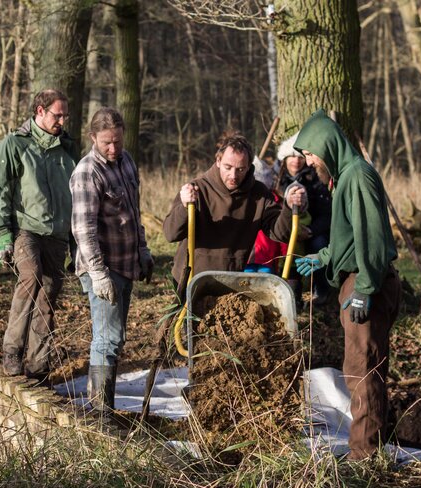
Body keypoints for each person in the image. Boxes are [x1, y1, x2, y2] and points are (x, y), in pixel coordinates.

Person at [293, 109, 402, 461]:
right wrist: (324, 257)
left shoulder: (359, 177)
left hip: (365, 283)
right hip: (356, 279)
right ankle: (371, 448)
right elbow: (349, 237)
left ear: (326, 145)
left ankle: (364, 457)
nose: (309, 162)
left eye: (310, 153)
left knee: (361, 371)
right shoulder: (343, 178)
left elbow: (370, 238)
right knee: (363, 368)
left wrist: (365, 289)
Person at [70, 107, 154, 413]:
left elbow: (134, 212)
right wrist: (98, 274)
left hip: (126, 260)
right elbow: (83, 229)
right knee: (107, 340)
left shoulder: (127, 161)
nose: (113, 148)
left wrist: (142, 250)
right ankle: (99, 412)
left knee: (114, 339)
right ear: (93, 137)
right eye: (107, 142)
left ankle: (103, 405)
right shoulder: (87, 172)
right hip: (103, 266)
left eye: (118, 140)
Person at [0, 88, 77, 378]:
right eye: (57, 115)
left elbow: (76, 197)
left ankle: (39, 365)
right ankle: (12, 351)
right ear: (40, 111)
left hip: (58, 233)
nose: (62, 121)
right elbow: (1, 191)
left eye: (65, 115)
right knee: (31, 276)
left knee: (49, 294)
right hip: (25, 229)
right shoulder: (15, 145)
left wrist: (76, 244)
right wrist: (3, 235)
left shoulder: (68, 149)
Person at [162, 131, 306, 286]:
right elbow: (171, 234)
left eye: (240, 169)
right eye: (228, 167)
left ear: (249, 166)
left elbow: (280, 233)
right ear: (218, 161)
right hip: (193, 277)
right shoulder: (197, 189)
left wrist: (288, 208)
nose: (233, 175)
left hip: (233, 279)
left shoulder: (259, 194)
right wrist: (184, 207)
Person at [276, 132, 332, 305]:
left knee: (318, 245)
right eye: (291, 156)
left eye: (300, 156)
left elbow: (327, 213)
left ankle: (321, 290)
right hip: (287, 229)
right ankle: (291, 294)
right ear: (284, 159)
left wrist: (311, 230)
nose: (296, 160)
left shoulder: (317, 178)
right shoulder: (277, 180)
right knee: (285, 252)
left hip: (313, 229)